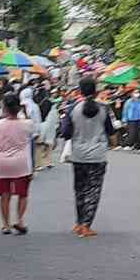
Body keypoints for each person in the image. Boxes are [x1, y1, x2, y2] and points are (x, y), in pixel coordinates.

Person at [60, 76, 112, 236]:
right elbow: (110, 131)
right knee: (93, 191)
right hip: (97, 155)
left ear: (80, 91)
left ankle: (78, 223)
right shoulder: (104, 109)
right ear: (96, 91)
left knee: (80, 190)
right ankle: (86, 225)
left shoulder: (72, 109)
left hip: (78, 155)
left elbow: (65, 133)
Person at [0, 93, 34, 234]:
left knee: (5, 195)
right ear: (19, 107)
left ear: (3, 107)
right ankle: (20, 220)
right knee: (22, 194)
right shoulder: (27, 124)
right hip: (22, 163)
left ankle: (5, 224)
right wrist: (25, 112)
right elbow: (33, 133)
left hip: (1, 164)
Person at [36, 94, 59, 168]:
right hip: (51, 130)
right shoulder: (53, 111)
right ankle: (48, 162)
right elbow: (56, 121)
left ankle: (39, 164)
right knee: (49, 147)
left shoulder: (40, 110)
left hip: (42, 128)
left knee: (39, 147)